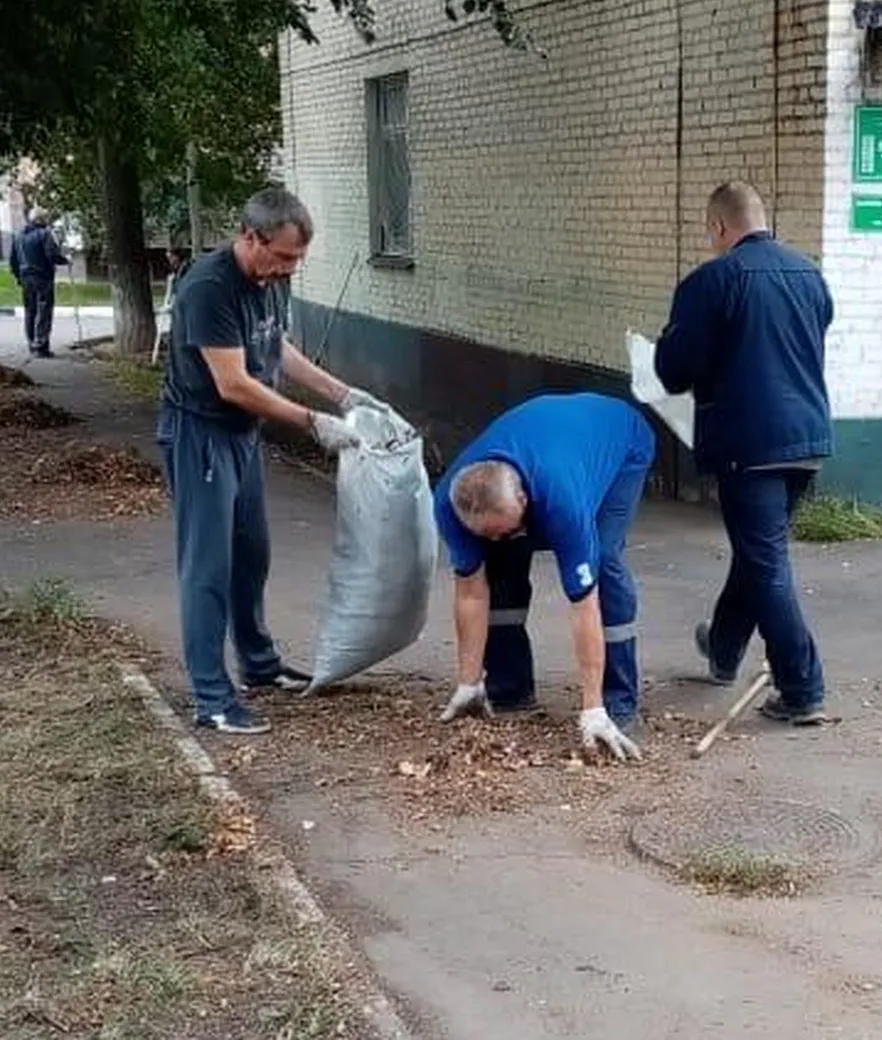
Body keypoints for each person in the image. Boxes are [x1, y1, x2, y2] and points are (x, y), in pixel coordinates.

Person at [158, 186, 390, 735]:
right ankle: (212, 698)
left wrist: (343, 394)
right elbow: (234, 383)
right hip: (202, 436)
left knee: (251, 555)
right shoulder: (209, 289)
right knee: (208, 567)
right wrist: (313, 423)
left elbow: (274, 347)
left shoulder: (268, 283)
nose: (289, 268)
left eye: (298, 259)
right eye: (283, 256)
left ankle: (259, 667)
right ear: (249, 237)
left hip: (241, 437)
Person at [653, 181, 834, 726]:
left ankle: (802, 687)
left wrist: (671, 347)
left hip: (747, 442)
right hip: (806, 438)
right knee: (760, 554)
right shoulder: (809, 274)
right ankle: (725, 648)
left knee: (766, 561)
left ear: (719, 227)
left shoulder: (713, 281)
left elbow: (673, 370)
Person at [432, 393, 657, 761]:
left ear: (523, 499)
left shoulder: (562, 498)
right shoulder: (450, 503)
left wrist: (591, 707)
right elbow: (471, 592)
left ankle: (615, 704)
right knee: (502, 560)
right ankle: (507, 689)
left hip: (622, 441)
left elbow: (584, 603)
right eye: (484, 533)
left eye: (502, 529)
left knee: (602, 559)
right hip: (552, 438)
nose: (494, 539)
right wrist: (469, 680)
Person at [8, 207, 70, 358]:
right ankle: (41, 346)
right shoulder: (45, 234)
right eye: (46, 218)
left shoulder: (18, 236)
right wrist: (65, 260)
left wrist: (18, 277)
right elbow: (52, 254)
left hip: (25, 277)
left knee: (30, 311)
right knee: (44, 311)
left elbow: (13, 260)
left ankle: (31, 343)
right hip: (42, 277)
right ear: (41, 220)